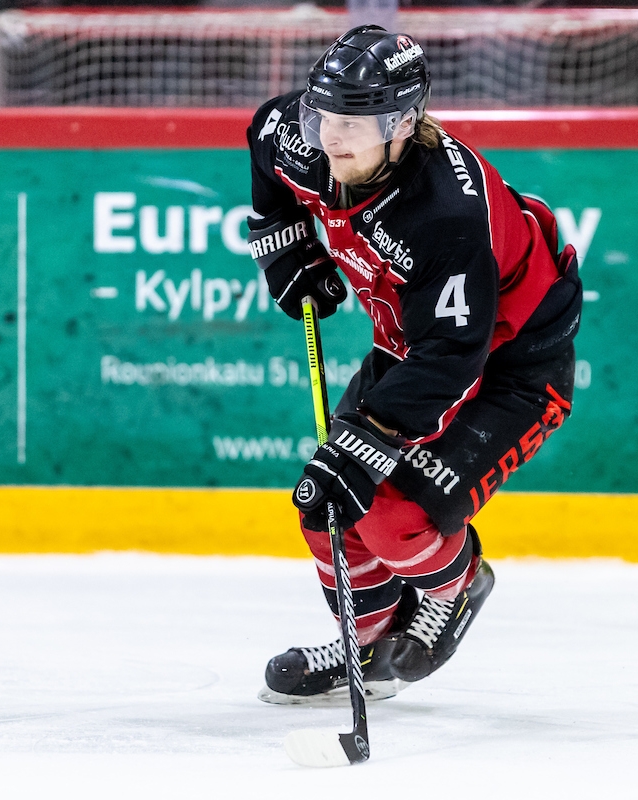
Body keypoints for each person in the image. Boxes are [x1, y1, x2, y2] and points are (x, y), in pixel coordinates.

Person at [247, 25, 583, 704]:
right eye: (325, 116)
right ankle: (361, 652)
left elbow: (454, 357)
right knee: (327, 503)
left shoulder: (444, 214)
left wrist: (366, 440)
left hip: (513, 368)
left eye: (355, 123)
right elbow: (265, 137)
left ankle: (456, 586)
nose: (332, 138)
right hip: (415, 346)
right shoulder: (304, 137)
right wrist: (285, 250)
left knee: (390, 509)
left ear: (401, 124)